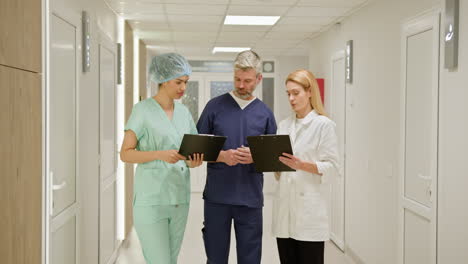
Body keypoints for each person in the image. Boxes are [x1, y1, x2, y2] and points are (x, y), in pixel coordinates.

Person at [120, 53, 204, 264]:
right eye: (178, 82)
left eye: (185, 82)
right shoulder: (142, 110)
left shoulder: (184, 113)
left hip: (179, 200)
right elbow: (125, 153)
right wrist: (159, 154)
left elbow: (189, 152)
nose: (183, 88)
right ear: (163, 80)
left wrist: (193, 162)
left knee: (171, 260)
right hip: (151, 201)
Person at [197, 50, 277, 264]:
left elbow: (275, 158)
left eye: (247, 81)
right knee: (215, 257)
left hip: (250, 200)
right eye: (237, 79)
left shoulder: (265, 113)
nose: (241, 85)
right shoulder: (214, 107)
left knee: (250, 259)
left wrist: (256, 156)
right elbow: (195, 149)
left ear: (259, 79)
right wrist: (222, 156)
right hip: (217, 198)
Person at [272, 69, 340, 264]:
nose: (291, 99)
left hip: (309, 213)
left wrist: (302, 165)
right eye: (288, 94)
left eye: (296, 93)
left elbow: (333, 168)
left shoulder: (323, 125)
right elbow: (281, 168)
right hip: (285, 210)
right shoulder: (284, 125)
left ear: (309, 92)